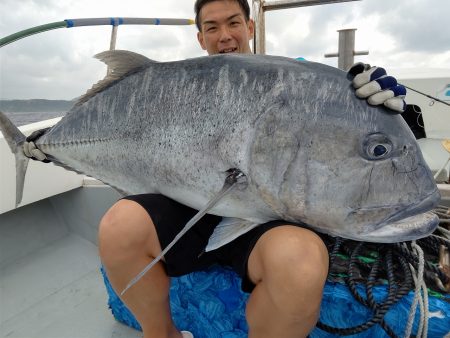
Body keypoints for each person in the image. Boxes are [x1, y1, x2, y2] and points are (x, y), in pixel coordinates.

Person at [98, 1, 406, 338]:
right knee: (118, 225)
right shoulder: (173, 90)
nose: (225, 35)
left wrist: (368, 98)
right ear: (201, 39)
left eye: (233, 23)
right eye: (212, 28)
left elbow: (338, 122)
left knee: (300, 262)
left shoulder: (297, 80)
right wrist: (48, 148)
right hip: (191, 203)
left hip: (270, 216)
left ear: (251, 27)